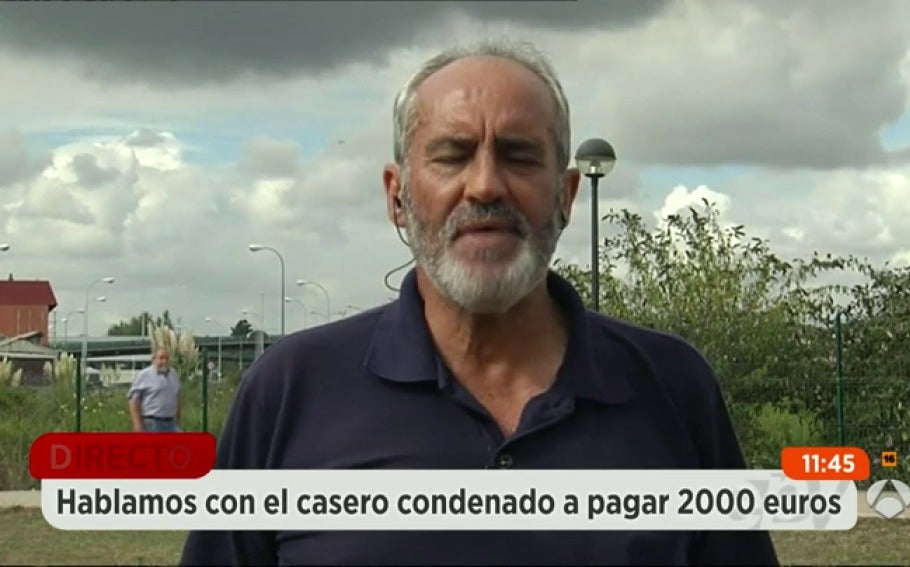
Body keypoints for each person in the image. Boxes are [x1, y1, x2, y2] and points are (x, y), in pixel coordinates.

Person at [181, 39, 778, 566]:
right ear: (397, 196)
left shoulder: (672, 387)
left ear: (567, 196)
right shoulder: (289, 392)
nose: (486, 184)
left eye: (519, 155)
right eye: (452, 155)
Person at [126, 348, 182, 433]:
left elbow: (177, 398)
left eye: (167, 358)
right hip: (152, 423)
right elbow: (133, 400)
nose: (164, 361)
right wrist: (137, 424)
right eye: (161, 358)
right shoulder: (144, 375)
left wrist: (178, 421)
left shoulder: (174, 375)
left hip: (171, 422)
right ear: (154, 359)